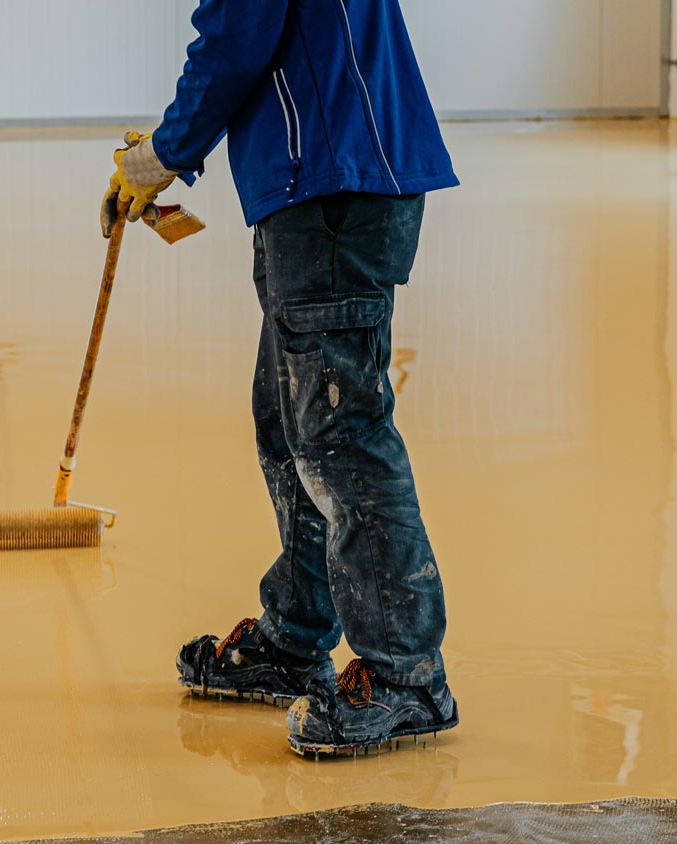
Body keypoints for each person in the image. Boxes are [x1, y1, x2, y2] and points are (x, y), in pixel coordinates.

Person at [102, 0, 459, 757]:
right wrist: (169, 147)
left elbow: (238, 37)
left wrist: (162, 154)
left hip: (333, 181)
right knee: (291, 420)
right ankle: (296, 638)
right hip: (319, 181)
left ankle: (407, 675)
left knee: (338, 435)